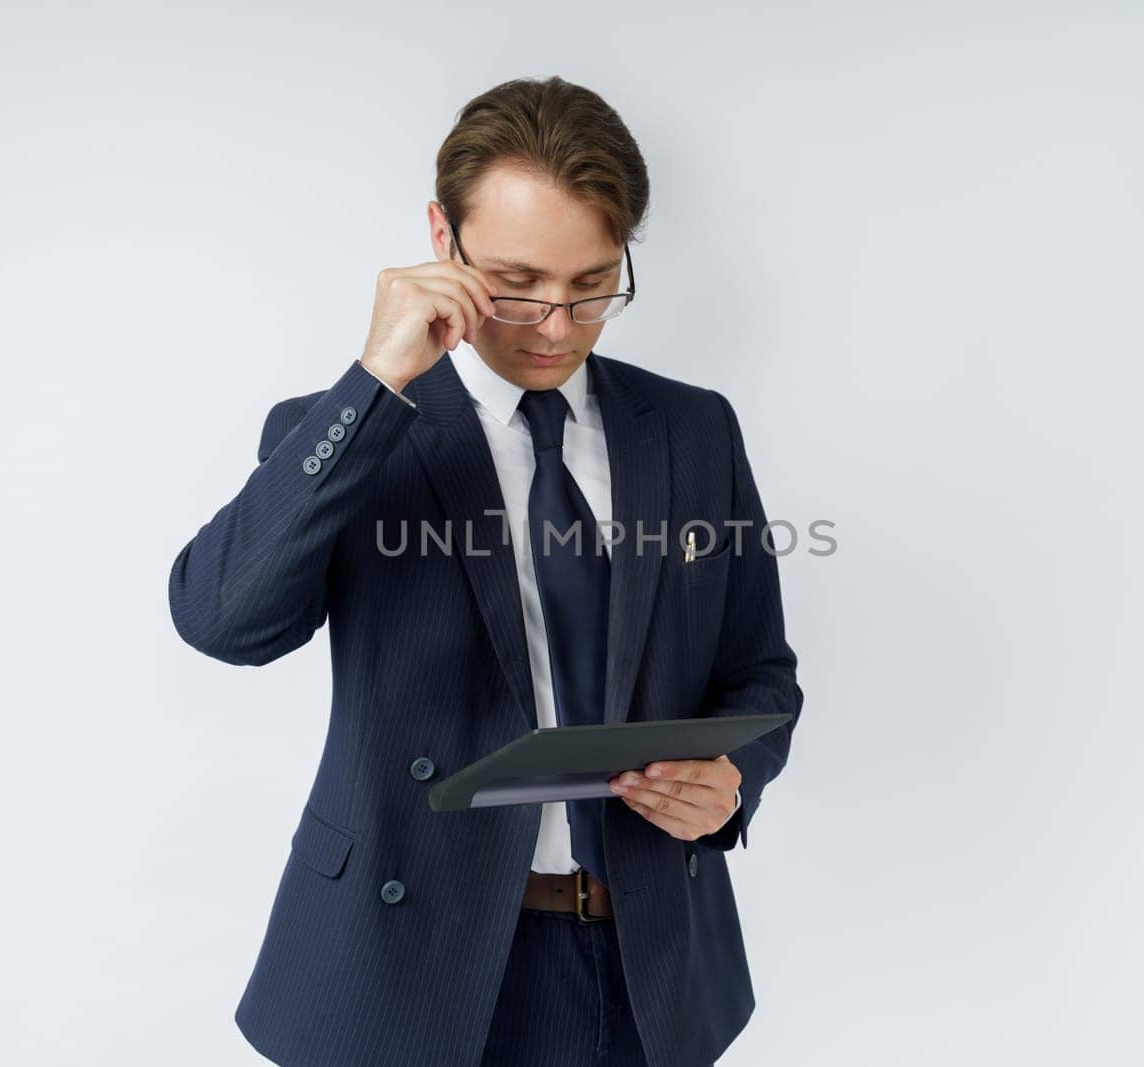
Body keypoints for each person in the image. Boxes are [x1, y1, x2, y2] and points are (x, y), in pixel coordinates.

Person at [167, 75, 803, 1067]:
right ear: (441, 239)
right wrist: (374, 382)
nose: (555, 324)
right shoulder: (347, 430)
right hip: (407, 957)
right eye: (515, 282)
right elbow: (221, 621)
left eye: (592, 284)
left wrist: (733, 779)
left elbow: (759, 667)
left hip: (650, 959)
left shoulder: (690, 428)